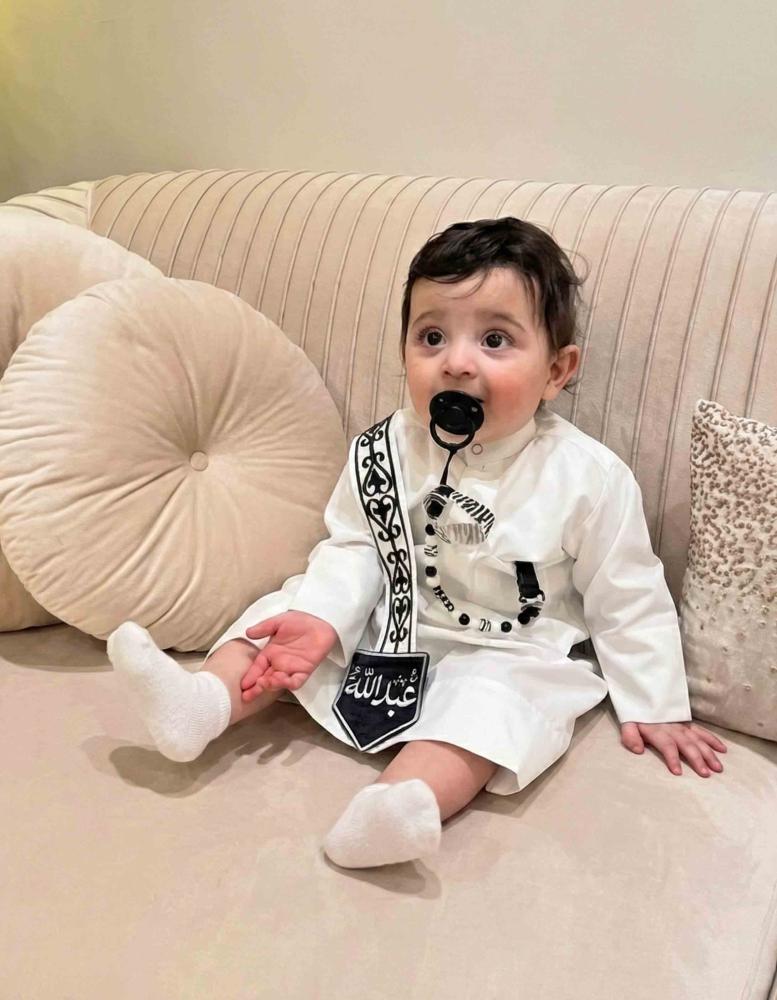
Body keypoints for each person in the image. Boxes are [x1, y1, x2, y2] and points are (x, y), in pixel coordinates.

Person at [107, 217, 727, 870]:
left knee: (493, 706)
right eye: (431, 337)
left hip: (505, 647)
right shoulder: (384, 449)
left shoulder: (588, 478)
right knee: (283, 615)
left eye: (494, 339)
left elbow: (626, 596)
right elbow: (354, 546)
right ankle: (202, 703)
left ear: (556, 370)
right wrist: (322, 618)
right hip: (388, 621)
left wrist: (656, 704)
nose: (455, 362)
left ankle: (401, 803)